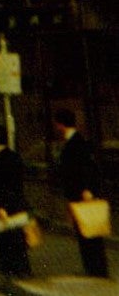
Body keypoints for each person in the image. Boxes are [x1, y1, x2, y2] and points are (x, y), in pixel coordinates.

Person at [53, 108, 109, 278]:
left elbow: (85, 168)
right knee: (84, 231)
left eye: (57, 124)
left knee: (89, 231)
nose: (56, 127)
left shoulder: (76, 143)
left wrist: (86, 189)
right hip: (77, 194)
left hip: (82, 195)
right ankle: (91, 267)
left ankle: (96, 269)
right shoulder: (75, 141)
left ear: (61, 124)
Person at [0, 125, 32, 276]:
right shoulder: (13, 156)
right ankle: (22, 268)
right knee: (17, 236)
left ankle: (11, 269)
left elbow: (0, 185)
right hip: (16, 203)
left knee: (5, 239)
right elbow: (16, 184)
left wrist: (0, 206)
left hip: (3, 205)